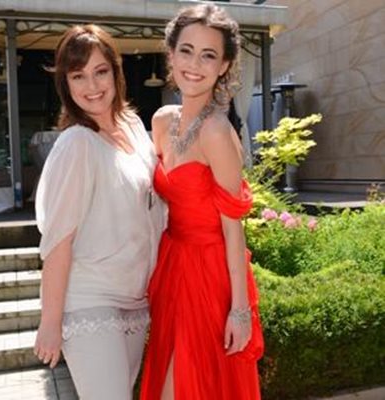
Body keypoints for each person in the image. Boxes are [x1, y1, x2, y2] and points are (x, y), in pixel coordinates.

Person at [33, 24, 165, 400]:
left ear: (115, 72)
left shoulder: (134, 127)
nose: (92, 86)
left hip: (137, 300)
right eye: (78, 75)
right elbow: (58, 241)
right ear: (65, 84)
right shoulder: (77, 144)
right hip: (90, 300)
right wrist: (50, 322)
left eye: (100, 71)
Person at [139, 4, 264, 400]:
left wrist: (240, 311)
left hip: (210, 274)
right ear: (171, 54)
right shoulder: (161, 121)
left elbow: (233, 230)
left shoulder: (217, 133)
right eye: (187, 50)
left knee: (190, 384)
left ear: (224, 65)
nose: (194, 65)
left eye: (209, 55)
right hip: (172, 263)